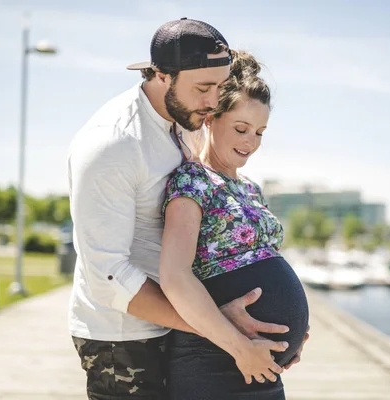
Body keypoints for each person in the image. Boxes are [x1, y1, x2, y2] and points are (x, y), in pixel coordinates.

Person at [67, 18, 293, 400]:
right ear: (161, 76)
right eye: (203, 88)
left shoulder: (187, 116)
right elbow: (107, 277)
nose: (212, 101)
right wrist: (222, 329)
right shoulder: (113, 145)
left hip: (178, 325)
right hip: (123, 338)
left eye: (220, 87)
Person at [160, 50, 310, 400]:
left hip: (264, 365)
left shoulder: (251, 188)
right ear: (211, 119)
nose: (251, 142)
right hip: (217, 361)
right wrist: (241, 347)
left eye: (260, 132)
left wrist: (293, 335)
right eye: (241, 128)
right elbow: (175, 276)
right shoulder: (192, 181)